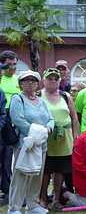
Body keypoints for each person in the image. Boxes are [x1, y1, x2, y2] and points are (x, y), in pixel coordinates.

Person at [8, 70, 54, 214]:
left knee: (37, 175)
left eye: (33, 80)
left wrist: (48, 128)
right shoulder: (17, 99)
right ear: (21, 84)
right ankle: (14, 207)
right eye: (26, 80)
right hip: (25, 145)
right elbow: (18, 119)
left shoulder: (42, 101)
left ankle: (33, 205)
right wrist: (38, 133)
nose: (30, 83)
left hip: (41, 145)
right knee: (20, 175)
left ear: (37, 84)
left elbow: (50, 119)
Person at [39, 68, 79, 210]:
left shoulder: (66, 96)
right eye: (50, 78)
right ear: (44, 80)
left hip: (65, 140)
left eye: (56, 78)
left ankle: (56, 198)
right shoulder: (38, 96)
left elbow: (74, 118)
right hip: (46, 139)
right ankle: (42, 198)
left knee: (60, 170)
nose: (53, 81)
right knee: (45, 171)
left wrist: (75, 137)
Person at [0, 50, 19, 205]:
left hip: (12, 122)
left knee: (8, 158)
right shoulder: (0, 79)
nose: (11, 67)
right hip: (2, 119)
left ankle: (7, 190)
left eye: (14, 64)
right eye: (8, 65)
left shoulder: (18, 80)